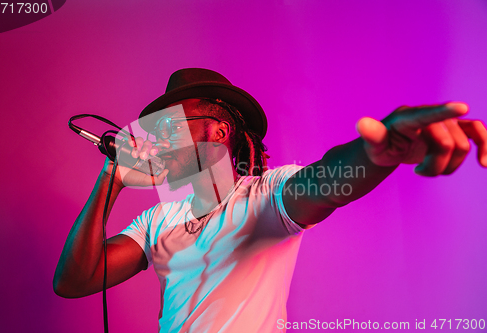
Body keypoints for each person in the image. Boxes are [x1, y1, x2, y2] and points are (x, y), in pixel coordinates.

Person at [53, 68, 487, 332]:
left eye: (172, 127)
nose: (158, 141)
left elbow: (327, 179)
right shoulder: (157, 220)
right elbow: (75, 281)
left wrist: (376, 155)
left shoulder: (266, 195)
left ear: (217, 132)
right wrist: (111, 178)